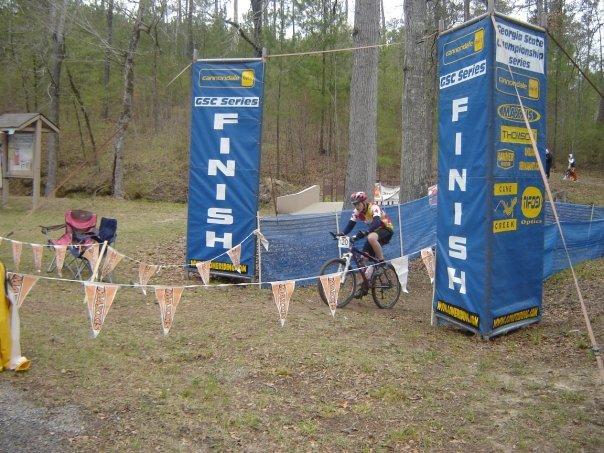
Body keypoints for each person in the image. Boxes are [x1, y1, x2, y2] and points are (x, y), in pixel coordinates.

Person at [337, 191, 394, 298]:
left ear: (364, 202)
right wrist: (341, 233)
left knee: (371, 237)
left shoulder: (374, 207)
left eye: (358, 204)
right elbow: (350, 224)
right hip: (373, 232)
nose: (356, 206)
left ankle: (382, 263)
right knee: (362, 259)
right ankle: (364, 288)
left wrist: (366, 232)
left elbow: (377, 222)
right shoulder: (357, 211)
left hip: (385, 229)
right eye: (354, 204)